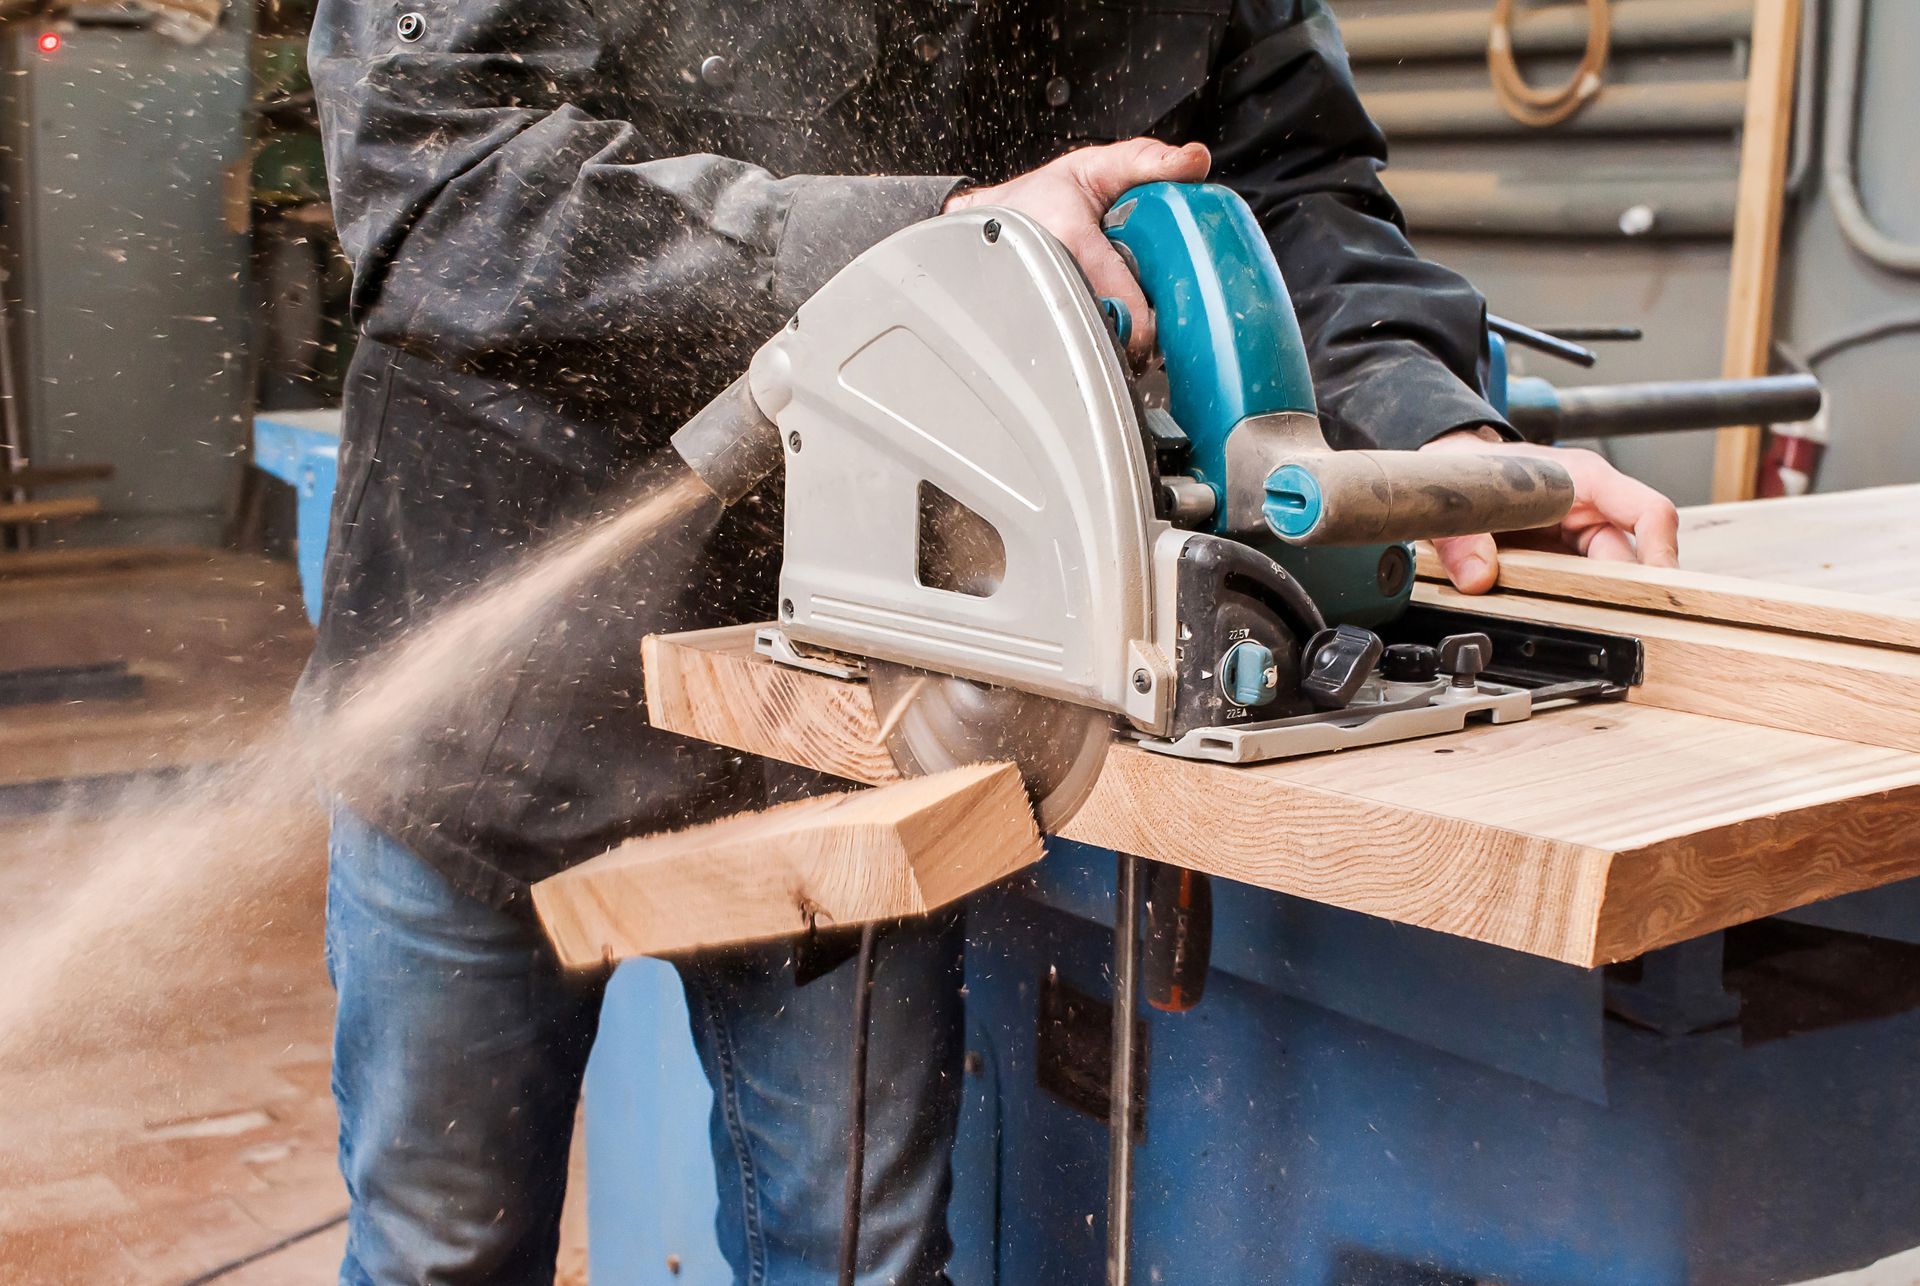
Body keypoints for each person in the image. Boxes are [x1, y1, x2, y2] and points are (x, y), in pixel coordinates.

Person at [305, 1, 1681, 1281]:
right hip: (493, 678)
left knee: (852, 1254)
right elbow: (439, 185)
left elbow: (1292, 186)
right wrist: (920, 249)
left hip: (877, 697)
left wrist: (1424, 433)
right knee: (444, 1251)